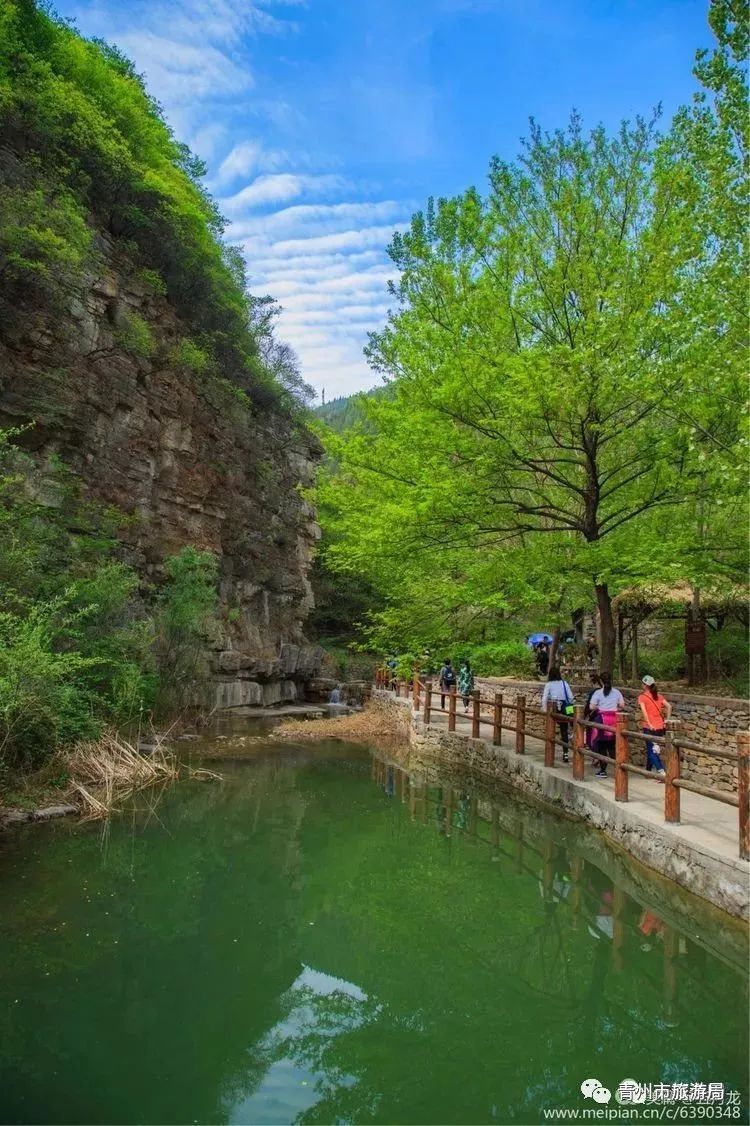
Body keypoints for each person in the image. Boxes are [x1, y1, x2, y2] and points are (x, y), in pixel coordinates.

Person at [588, 675, 625, 778]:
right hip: (614, 720)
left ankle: (603, 770)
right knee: (612, 745)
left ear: (601, 681)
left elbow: (591, 706)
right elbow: (622, 705)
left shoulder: (598, 693)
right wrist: (615, 706)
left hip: (602, 719)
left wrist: (599, 706)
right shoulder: (617, 692)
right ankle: (619, 770)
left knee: (602, 746)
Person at [541, 666, 575, 763]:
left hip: (556, 709)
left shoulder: (549, 684)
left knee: (557, 730)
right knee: (565, 729)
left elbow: (544, 698)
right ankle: (566, 753)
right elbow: (571, 697)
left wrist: (545, 710)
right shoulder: (565, 683)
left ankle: (551, 753)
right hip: (566, 708)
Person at [638, 675, 671, 775]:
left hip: (649, 727)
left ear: (645, 685)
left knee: (651, 750)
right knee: (653, 748)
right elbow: (669, 706)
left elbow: (645, 712)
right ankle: (648, 770)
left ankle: (662, 772)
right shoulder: (659, 696)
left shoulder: (642, 697)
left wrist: (649, 723)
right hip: (660, 726)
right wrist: (667, 721)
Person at [583, 673, 603, 749]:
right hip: (601, 713)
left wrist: (585, 714)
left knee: (590, 727)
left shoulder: (594, 691)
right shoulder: (602, 690)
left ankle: (590, 744)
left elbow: (589, 704)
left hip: (594, 712)